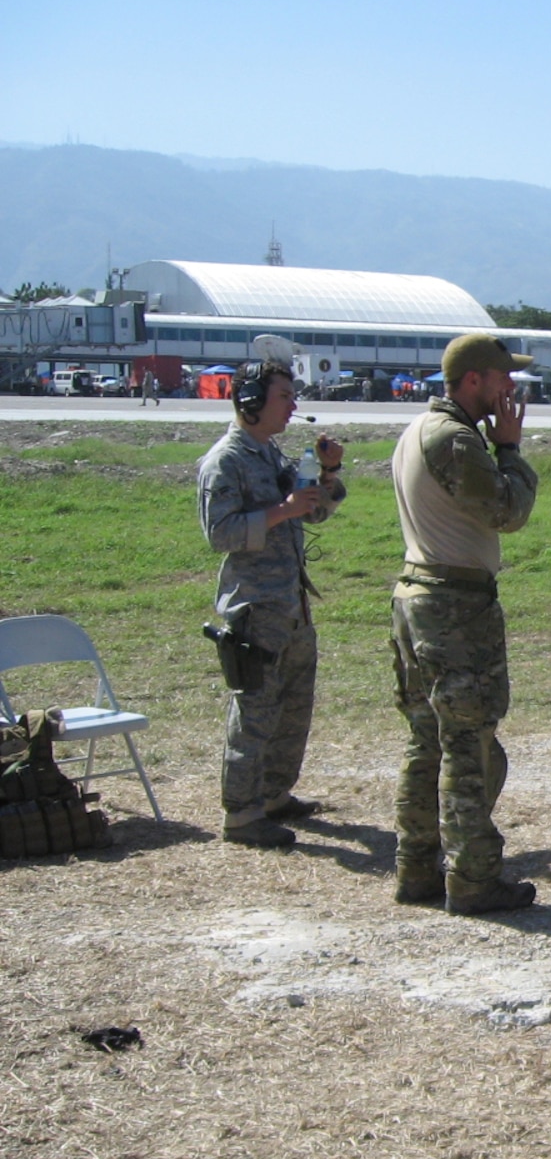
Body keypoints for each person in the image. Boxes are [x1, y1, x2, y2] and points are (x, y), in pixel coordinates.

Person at [389, 333, 540, 914]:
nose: (512, 389)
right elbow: (508, 511)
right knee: (466, 745)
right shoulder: (455, 439)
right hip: (452, 606)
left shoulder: (418, 432)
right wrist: (509, 449)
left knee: (427, 741)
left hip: (419, 596)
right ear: (474, 379)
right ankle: (473, 878)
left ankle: (416, 868)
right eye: (504, 378)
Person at [195, 341, 345, 848]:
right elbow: (220, 534)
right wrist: (280, 510)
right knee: (255, 710)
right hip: (257, 606)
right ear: (252, 400)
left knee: (293, 705)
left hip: (292, 600)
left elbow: (315, 511)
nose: (292, 406)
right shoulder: (227, 461)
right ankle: (241, 813)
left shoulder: (271, 453)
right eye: (284, 396)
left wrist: (326, 474)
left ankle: (275, 794)